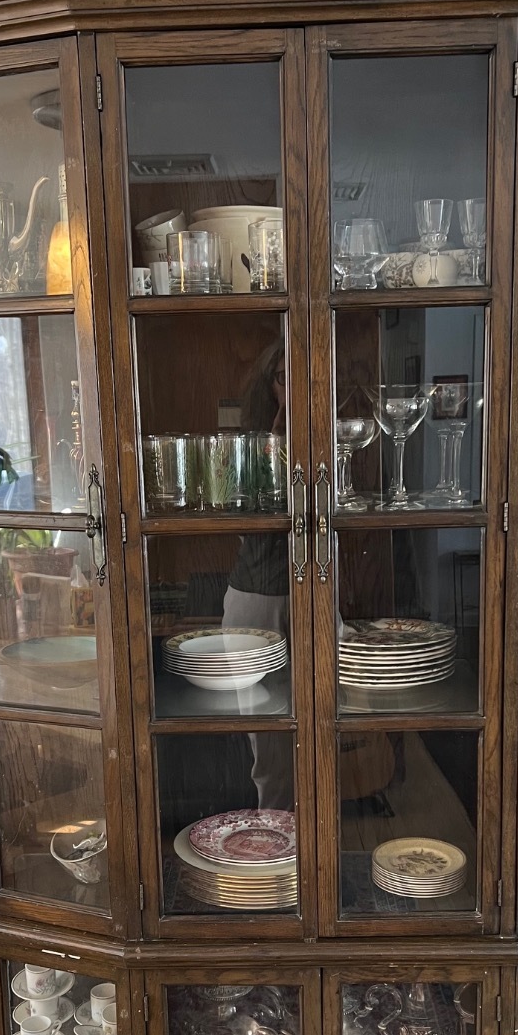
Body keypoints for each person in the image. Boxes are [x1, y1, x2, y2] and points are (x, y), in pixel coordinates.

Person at [222, 341, 293, 810]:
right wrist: (277, 439)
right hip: (257, 597)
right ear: (269, 383)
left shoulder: (332, 432)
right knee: (267, 742)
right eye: (285, 376)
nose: (296, 386)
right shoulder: (250, 444)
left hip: (317, 591)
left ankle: (318, 851)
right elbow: (248, 525)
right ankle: (277, 850)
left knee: (327, 722)